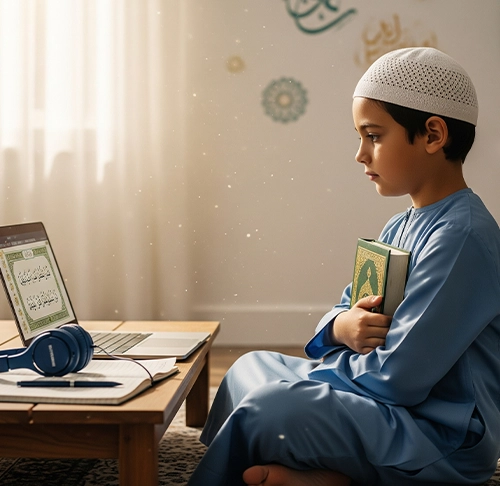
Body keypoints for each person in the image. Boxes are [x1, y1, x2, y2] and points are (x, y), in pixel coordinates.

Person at [187, 47, 500, 485]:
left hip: (434, 439)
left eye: (373, 136)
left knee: (272, 407)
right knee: (247, 370)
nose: (360, 154)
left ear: (432, 135)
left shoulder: (463, 237)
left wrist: (316, 380)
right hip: (383, 403)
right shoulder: (398, 225)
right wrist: (340, 329)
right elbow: (346, 309)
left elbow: (397, 378)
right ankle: (328, 475)